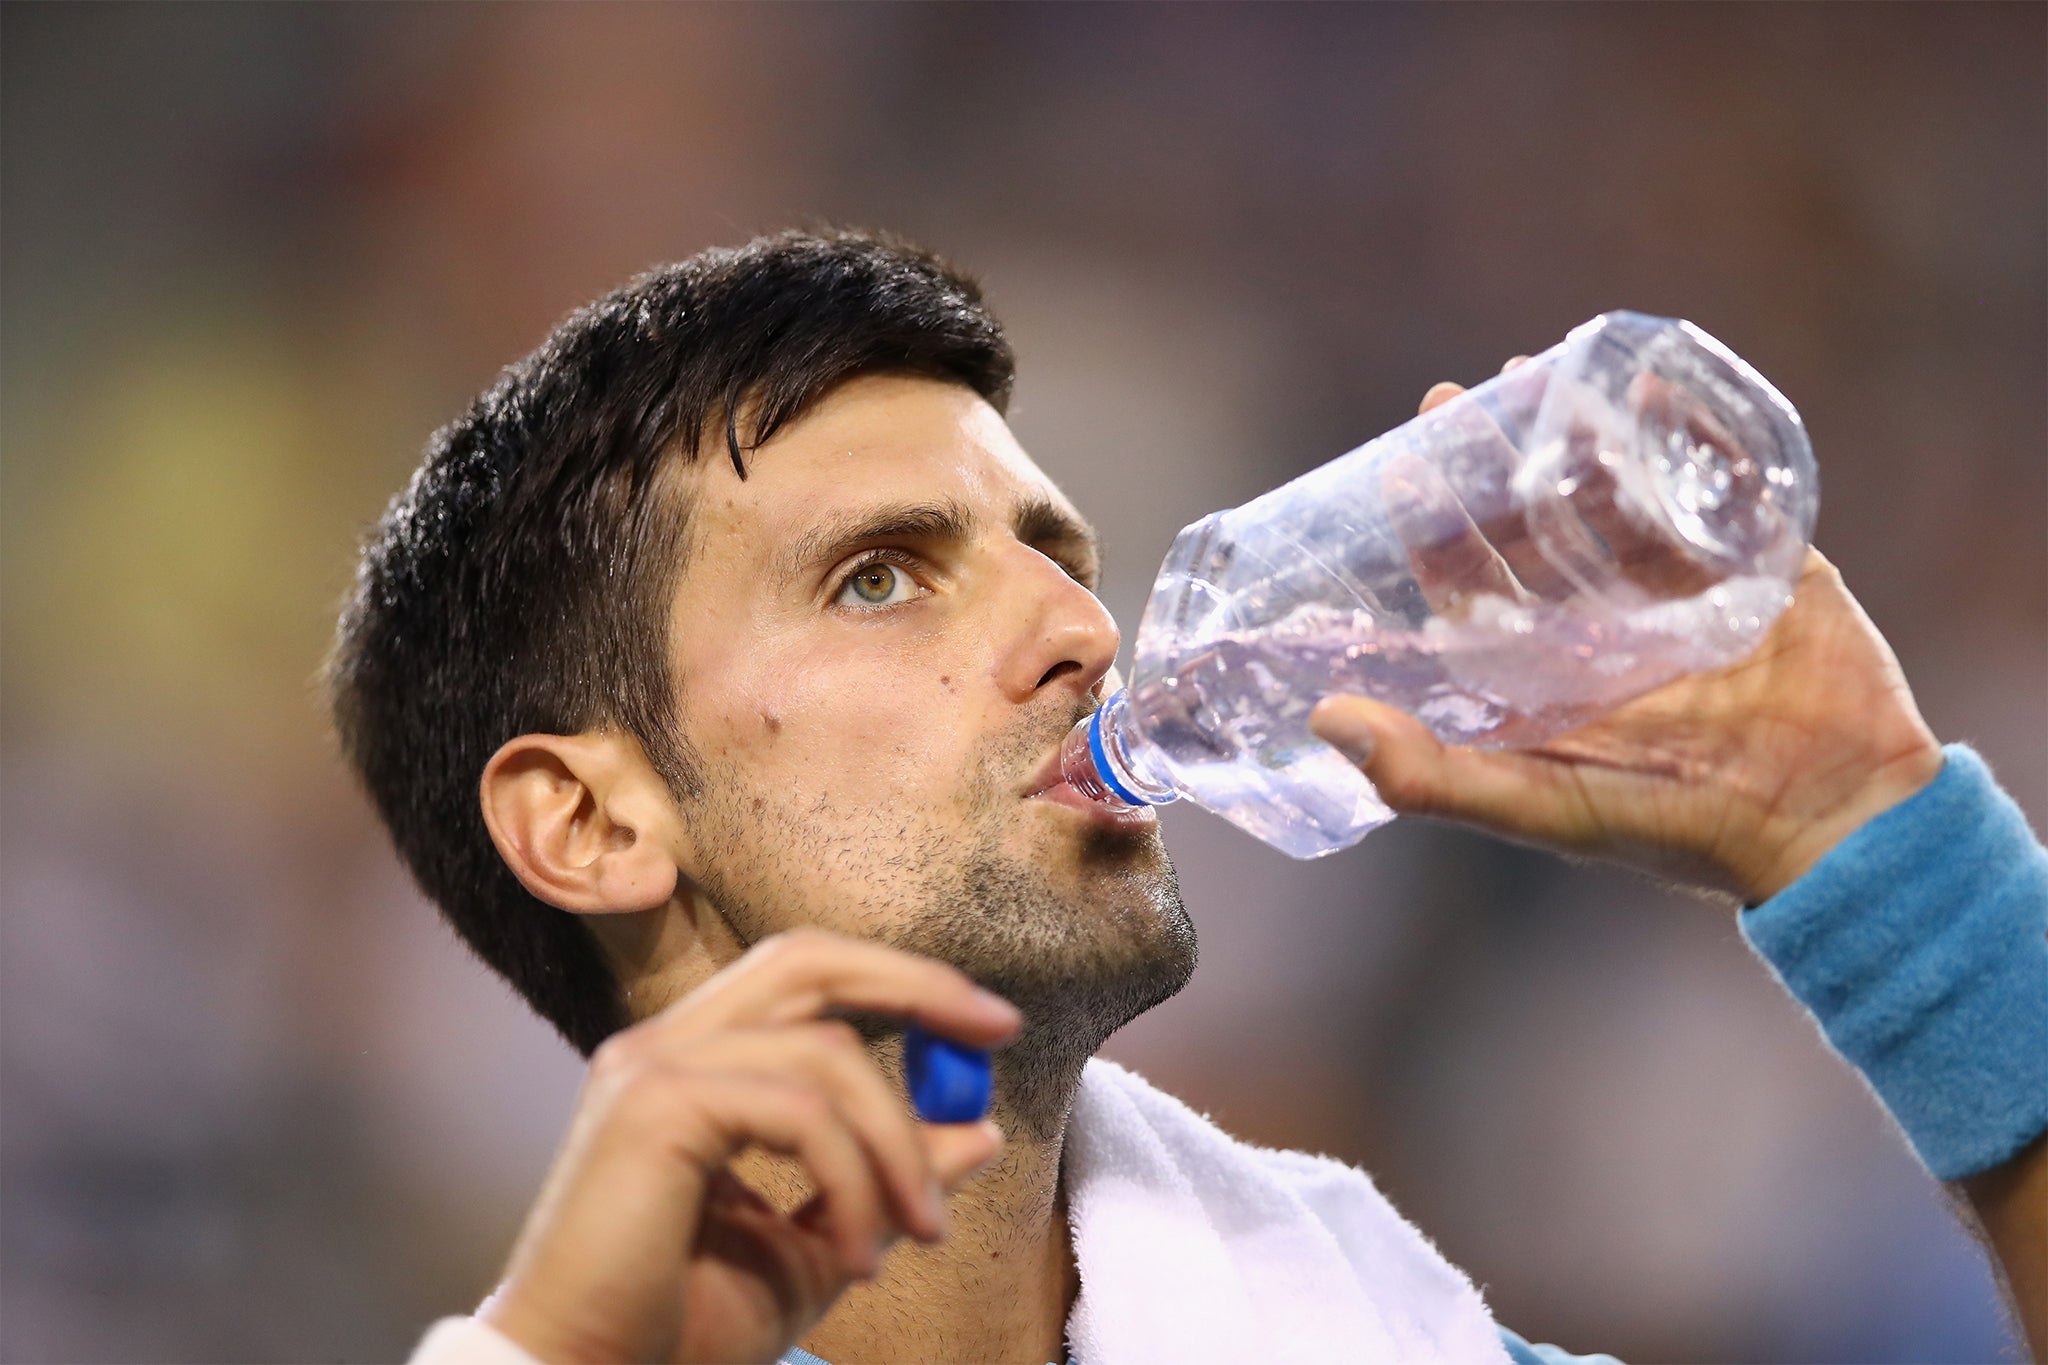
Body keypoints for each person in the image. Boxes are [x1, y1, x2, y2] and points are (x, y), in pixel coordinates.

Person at [327, 229, 2047, 1365]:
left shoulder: (1370, 1334)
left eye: (1055, 556)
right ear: (592, 822)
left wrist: (1887, 854)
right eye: (877, 578)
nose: (1080, 628)